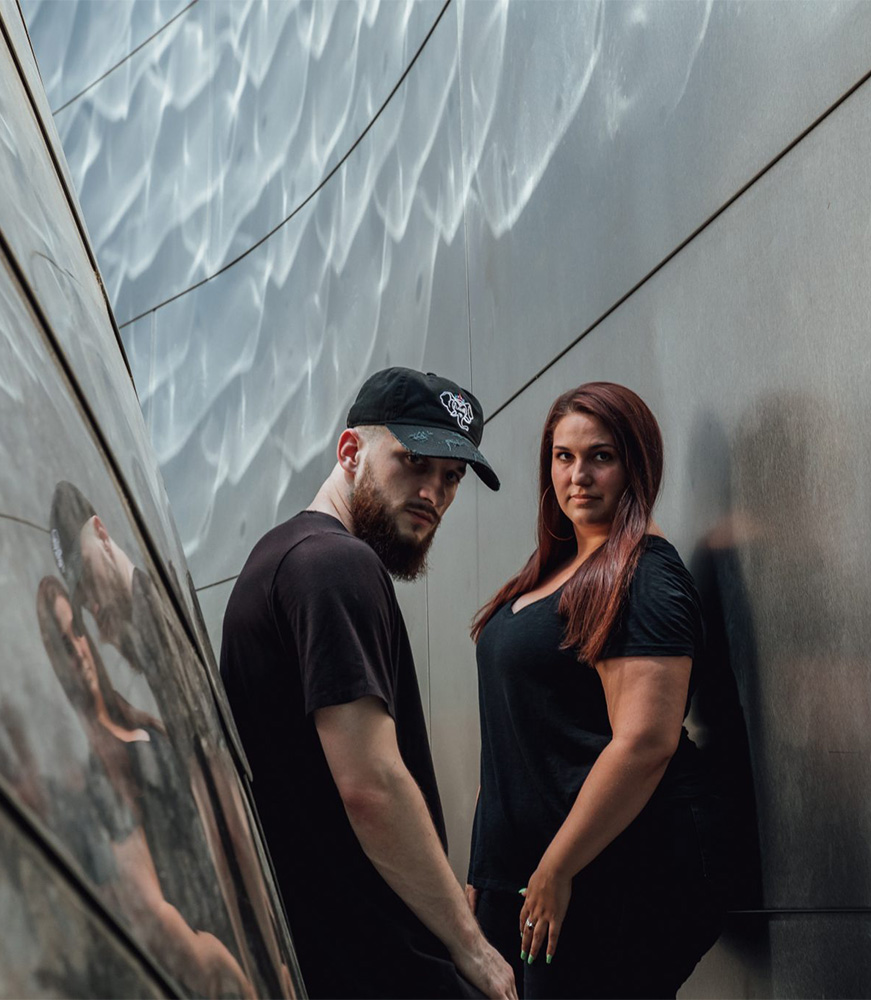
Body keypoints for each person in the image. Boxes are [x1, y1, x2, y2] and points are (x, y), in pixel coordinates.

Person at [220, 367, 517, 1000]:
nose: (433, 492)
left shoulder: (282, 557)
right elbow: (372, 785)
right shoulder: (335, 565)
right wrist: (475, 950)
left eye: (452, 477)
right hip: (381, 961)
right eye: (414, 462)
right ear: (350, 452)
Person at [467, 382, 732, 1000]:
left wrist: (557, 868)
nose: (578, 475)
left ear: (637, 463)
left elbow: (644, 742)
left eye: (601, 456)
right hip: (532, 871)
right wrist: (488, 867)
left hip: (613, 866)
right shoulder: (556, 567)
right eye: (563, 457)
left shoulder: (645, 573)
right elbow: (512, 736)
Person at [48, 481, 292, 997]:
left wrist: (264, 964)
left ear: (102, 533)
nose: (92, 608)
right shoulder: (148, 629)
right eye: (82, 599)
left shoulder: (157, 625)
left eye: (86, 581)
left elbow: (220, 797)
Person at [35, 576, 254, 999]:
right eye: (63, 642)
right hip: (204, 966)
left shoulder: (135, 721)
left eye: (77, 630)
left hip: (230, 923)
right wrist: (230, 975)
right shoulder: (96, 769)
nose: (78, 649)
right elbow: (153, 914)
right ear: (54, 660)